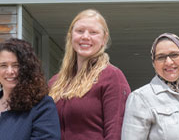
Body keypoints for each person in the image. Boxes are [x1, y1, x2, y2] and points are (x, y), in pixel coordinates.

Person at [48, 9, 131, 140]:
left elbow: (115, 132)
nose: (85, 36)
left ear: (104, 39)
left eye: (93, 32)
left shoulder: (112, 77)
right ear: (71, 36)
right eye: (80, 31)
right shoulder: (55, 82)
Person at [121, 33, 179, 140]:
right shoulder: (140, 98)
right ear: (154, 62)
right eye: (161, 57)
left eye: (174, 54)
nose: (168, 62)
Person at [0, 38, 60, 140]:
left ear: (28, 69)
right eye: (3, 65)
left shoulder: (42, 106)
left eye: (16, 65)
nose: (10, 71)